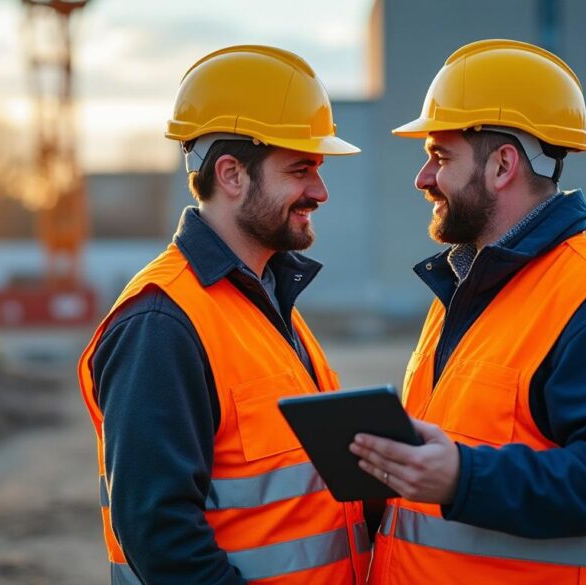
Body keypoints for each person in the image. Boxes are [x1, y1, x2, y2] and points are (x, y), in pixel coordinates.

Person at [349, 39, 586, 584]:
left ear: (503, 165)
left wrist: (464, 476)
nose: (423, 179)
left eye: (440, 156)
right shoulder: (468, 287)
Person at [77, 45, 371, 585]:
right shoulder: (162, 322)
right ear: (232, 174)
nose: (319, 191)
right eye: (301, 169)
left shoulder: (266, 300)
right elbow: (160, 536)